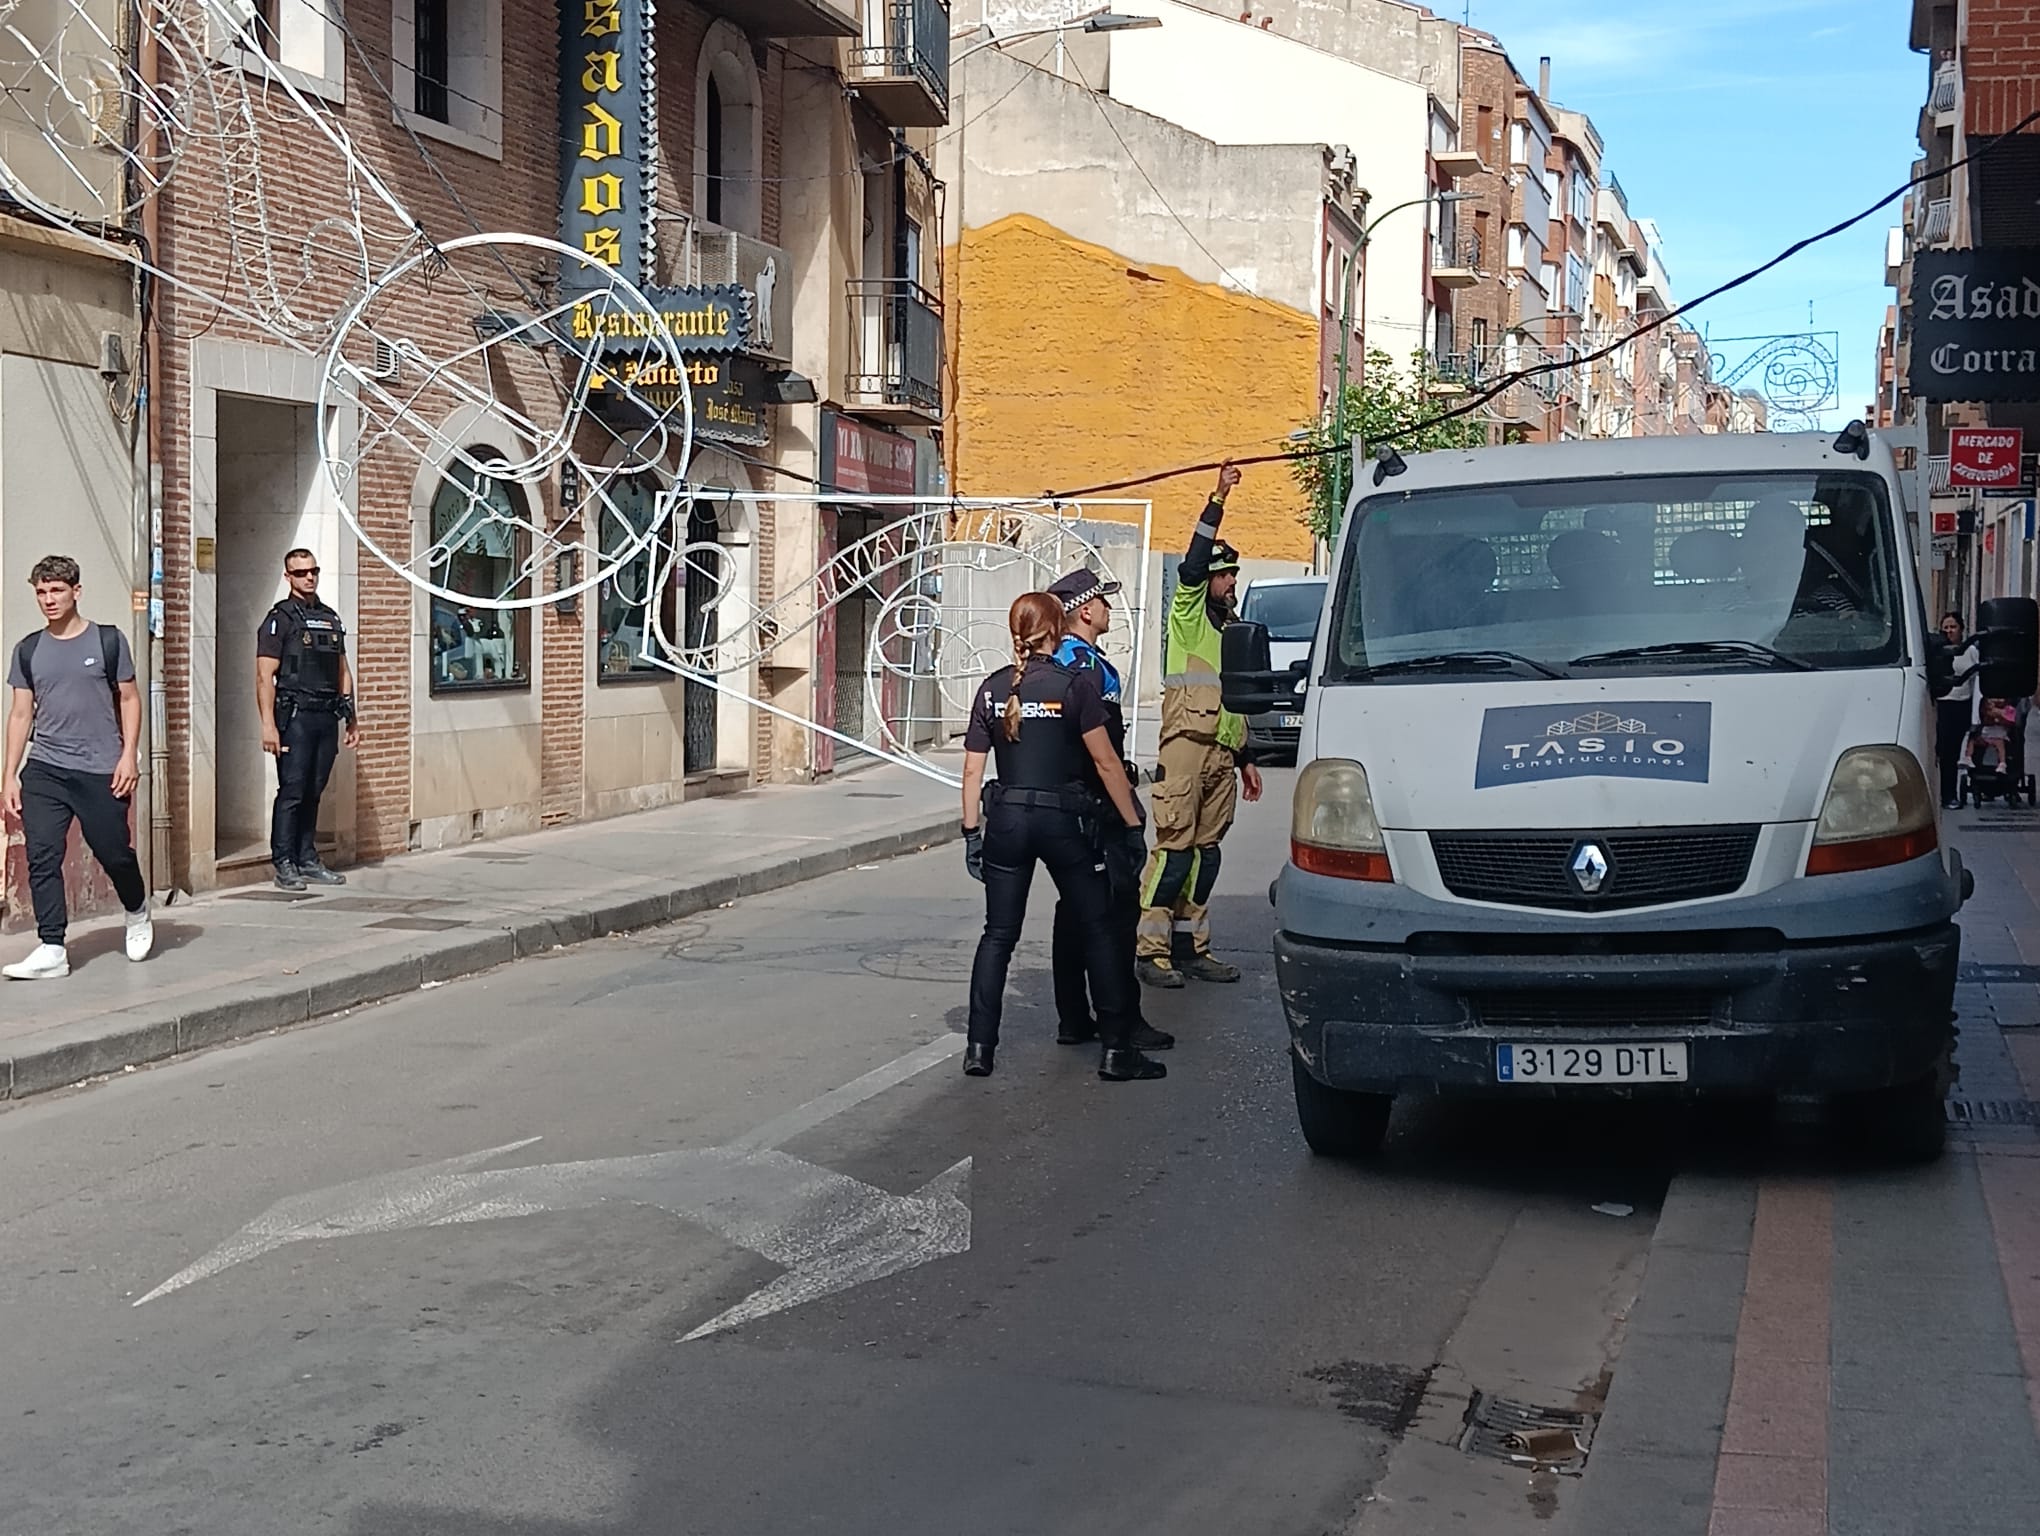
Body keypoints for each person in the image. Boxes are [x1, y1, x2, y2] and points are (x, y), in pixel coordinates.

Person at [959, 593, 1165, 1083]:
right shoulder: (1073, 687)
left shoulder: (992, 689)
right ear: (1055, 630)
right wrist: (1132, 826)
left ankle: (979, 1048)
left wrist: (971, 833)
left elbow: (971, 771)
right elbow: (1106, 763)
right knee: (1098, 928)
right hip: (1064, 823)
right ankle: (1117, 1050)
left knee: (998, 936)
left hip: (1007, 822)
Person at [1136, 462, 1263, 989]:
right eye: (1225, 574)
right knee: (1174, 853)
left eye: (1234, 574)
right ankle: (1150, 951)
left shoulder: (1230, 626)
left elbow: (1232, 699)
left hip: (1221, 755)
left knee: (1205, 857)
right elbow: (1192, 562)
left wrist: (1246, 757)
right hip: (1186, 747)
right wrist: (1218, 498)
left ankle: (1191, 948)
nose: (1232, 581)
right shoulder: (1188, 614)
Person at [1, 556, 152, 980]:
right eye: (41, 592)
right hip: (45, 768)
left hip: (100, 767)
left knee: (113, 852)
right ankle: (52, 947)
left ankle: (137, 909)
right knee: (42, 855)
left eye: (57, 590)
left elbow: (130, 699)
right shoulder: (28, 649)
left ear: (76, 592)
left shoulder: (107, 641)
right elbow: (20, 714)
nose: (48, 599)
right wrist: (9, 774)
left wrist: (129, 754)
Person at [1044, 568, 1175, 1054]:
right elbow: (1101, 753)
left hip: (1065, 804)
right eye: (1103, 601)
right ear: (1084, 609)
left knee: (1072, 910)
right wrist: (1131, 819)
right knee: (1117, 914)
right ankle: (1124, 1018)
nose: (1109, 609)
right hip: (1098, 805)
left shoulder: (1052, 662)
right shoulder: (1087, 667)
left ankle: (1073, 1016)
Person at [257, 548, 358, 891]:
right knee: (293, 789)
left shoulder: (330, 618)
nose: (309, 577)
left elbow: (342, 670)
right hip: (295, 716)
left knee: (315, 789)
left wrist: (351, 717)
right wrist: (268, 725)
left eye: (313, 570)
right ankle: (284, 861)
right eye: (300, 573)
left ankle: (307, 857)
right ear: (288, 577)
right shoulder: (279, 619)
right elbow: (264, 676)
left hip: (325, 715)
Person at [1934, 611, 1980, 810]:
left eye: (1953, 627)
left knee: (1953, 752)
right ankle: (1942, 793)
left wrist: (1976, 715)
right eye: (1945, 627)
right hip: (1942, 706)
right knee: (1943, 752)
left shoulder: (1970, 651)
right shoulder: (1937, 651)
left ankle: (1950, 794)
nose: (1949, 631)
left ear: (1961, 629)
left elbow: (1977, 682)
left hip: (1962, 705)